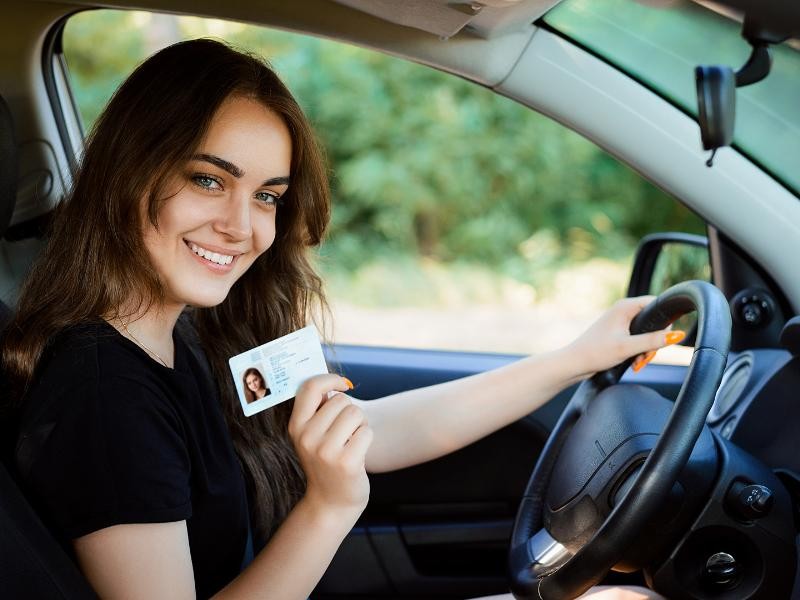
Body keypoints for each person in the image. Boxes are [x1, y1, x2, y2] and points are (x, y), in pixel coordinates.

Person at [1, 39, 676, 599]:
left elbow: (366, 432)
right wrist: (329, 507)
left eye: (267, 195)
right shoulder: (104, 396)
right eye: (208, 178)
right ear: (129, 173)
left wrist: (575, 358)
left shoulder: (190, 331)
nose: (241, 225)